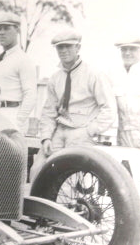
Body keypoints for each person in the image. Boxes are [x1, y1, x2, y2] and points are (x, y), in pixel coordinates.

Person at [39, 29, 114, 158]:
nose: (63, 50)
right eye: (59, 47)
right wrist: (46, 137)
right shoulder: (55, 78)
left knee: (73, 173)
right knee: (39, 169)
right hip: (59, 131)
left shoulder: (94, 75)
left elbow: (109, 109)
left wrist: (90, 131)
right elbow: (49, 111)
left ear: (78, 47)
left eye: (68, 46)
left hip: (81, 133)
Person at [0, 12, 37, 134]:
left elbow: (30, 95)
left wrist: (18, 123)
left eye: (6, 28)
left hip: (12, 114)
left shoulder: (23, 60)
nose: (1, 32)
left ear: (17, 30)